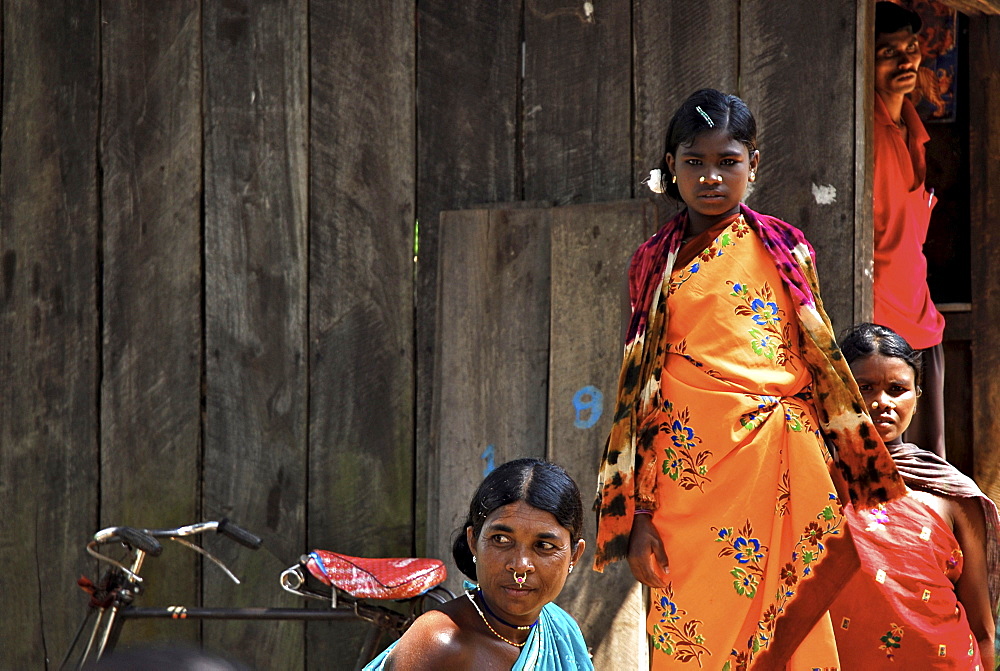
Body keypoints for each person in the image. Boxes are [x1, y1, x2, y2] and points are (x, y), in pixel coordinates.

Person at [594, 88, 907, 669]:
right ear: (671, 168)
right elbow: (639, 390)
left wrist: (846, 466)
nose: (711, 177)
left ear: (753, 165)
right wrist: (637, 516)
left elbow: (818, 363)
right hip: (688, 487)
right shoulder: (651, 262)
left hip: (785, 467)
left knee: (795, 629)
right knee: (693, 636)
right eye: (694, 162)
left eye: (727, 162)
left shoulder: (786, 246)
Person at [830, 322, 997, 669]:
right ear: (842, 391)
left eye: (896, 389)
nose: (882, 402)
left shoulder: (952, 492)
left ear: (917, 396)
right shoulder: (819, 479)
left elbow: (982, 628)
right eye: (866, 388)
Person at [364, 458, 592, 671]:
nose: (520, 566)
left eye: (544, 545)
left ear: (574, 556)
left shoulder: (561, 629)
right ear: (473, 541)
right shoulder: (439, 643)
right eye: (501, 540)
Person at [872, 1, 947, 457]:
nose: (905, 61)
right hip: (882, 334)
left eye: (910, 48)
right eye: (887, 52)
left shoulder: (909, 129)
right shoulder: (870, 136)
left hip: (922, 324)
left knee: (928, 474)